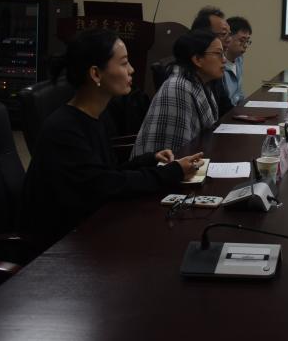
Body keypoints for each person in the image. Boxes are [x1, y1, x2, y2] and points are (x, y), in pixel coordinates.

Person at [20, 29, 203, 249]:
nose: (132, 70)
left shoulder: (94, 117)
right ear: (96, 74)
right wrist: (172, 172)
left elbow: (105, 173)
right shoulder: (64, 130)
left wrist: (149, 159)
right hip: (61, 246)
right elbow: (107, 186)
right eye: (124, 63)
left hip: (89, 230)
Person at [132, 29, 224, 157]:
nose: (224, 60)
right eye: (219, 54)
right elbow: (177, 153)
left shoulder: (201, 83)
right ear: (197, 59)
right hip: (162, 167)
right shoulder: (179, 88)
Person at [192, 6, 234, 114]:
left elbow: (226, 108)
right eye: (223, 34)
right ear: (203, 35)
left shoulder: (213, 69)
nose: (229, 40)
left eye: (230, 34)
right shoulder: (184, 83)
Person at [222, 15, 252, 107]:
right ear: (228, 38)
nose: (245, 45)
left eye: (247, 41)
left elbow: (239, 93)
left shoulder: (239, 59)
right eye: (242, 40)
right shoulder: (219, 63)